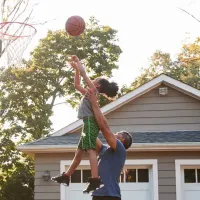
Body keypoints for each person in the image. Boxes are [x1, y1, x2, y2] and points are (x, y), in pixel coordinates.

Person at [51, 55, 119, 193]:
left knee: (90, 150)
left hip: (90, 123)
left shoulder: (93, 91)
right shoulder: (89, 93)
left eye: (94, 81)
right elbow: (76, 85)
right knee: (78, 154)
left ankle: (95, 179)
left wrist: (78, 64)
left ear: (97, 85)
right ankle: (66, 176)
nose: (91, 81)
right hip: (86, 124)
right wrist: (76, 70)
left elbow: (84, 75)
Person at [85, 88, 133, 200]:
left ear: (121, 140)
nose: (113, 134)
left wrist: (94, 103)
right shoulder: (104, 150)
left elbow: (104, 127)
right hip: (98, 194)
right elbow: (90, 136)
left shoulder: (120, 149)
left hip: (110, 196)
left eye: (117, 134)